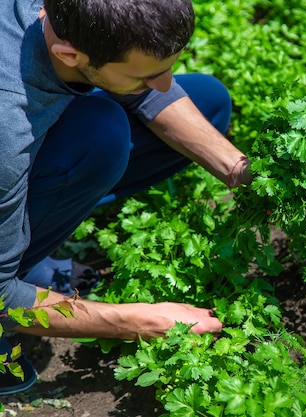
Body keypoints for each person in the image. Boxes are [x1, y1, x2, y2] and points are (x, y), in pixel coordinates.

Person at [0, 0, 250, 390]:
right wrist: (139, 320)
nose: (166, 84)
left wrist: (240, 172)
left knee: (208, 101)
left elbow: (153, 92)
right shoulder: (7, 126)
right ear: (69, 54)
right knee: (102, 133)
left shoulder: (64, 18)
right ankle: (15, 266)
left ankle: (20, 252)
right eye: (149, 75)